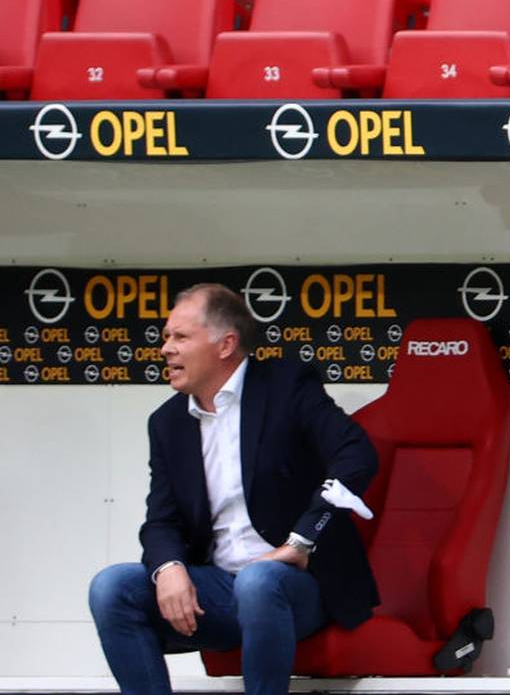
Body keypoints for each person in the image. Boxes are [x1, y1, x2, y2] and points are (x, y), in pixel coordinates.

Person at [88, 283, 379, 695]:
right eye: (166, 337)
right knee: (112, 588)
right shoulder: (168, 422)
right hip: (220, 590)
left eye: (180, 337)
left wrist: (302, 540)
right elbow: (161, 522)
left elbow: (356, 453)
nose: (166, 349)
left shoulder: (286, 385)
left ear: (226, 344)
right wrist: (168, 568)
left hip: (300, 588)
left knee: (257, 582)